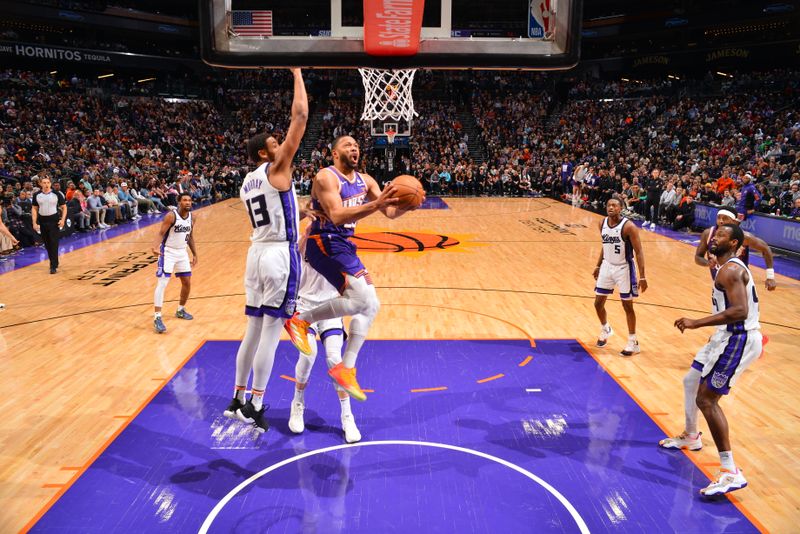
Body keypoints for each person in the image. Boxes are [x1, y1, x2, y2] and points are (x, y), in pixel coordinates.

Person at [283, 135, 406, 402]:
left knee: (370, 304)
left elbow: (391, 213)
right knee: (364, 299)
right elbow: (337, 216)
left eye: (357, 146)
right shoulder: (326, 177)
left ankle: (345, 368)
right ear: (335, 153)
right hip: (323, 242)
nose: (354, 148)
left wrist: (409, 204)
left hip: (345, 246)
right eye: (348, 145)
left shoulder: (367, 181)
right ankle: (301, 321)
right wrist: (376, 204)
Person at [222, 68, 308, 434]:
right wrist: (297, 72)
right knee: (272, 332)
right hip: (278, 257)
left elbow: (274, 212)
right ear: (264, 153)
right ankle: (256, 405)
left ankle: (236, 399)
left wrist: (303, 211)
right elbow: (301, 116)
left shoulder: (247, 181)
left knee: (252, 330)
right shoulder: (277, 167)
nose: (280, 145)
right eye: (275, 143)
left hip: (255, 255)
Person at [664, 224, 761, 497]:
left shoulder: (730, 269)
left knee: (706, 399)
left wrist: (696, 323)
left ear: (734, 244)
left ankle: (730, 471)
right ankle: (692, 435)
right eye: (714, 233)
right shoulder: (724, 266)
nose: (713, 237)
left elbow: (740, 311)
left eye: (721, 235)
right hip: (724, 336)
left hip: (738, 338)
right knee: (691, 380)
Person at [288, 230, 361, 443]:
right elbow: (295, 253)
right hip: (304, 306)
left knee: (335, 359)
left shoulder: (338, 242)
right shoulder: (303, 239)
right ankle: (297, 404)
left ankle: (347, 416)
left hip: (330, 307)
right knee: (308, 355)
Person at [593, 197, 648, 355]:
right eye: (609, 205)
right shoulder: (601, 223)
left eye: (615, 205)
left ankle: (633, 342)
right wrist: (598, 265)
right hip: (606, 266)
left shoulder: (629, 227)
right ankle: (606, 329)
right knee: (598, 303)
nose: (611, 207)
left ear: (621, 208)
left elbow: (639, 252)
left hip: (624, 268)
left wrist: (642, 276)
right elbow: (605, 246)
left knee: (627, 306)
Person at [695, 209, 777, 291]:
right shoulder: (708, 234)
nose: (721, 221)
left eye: (725, 218)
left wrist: (770, 277)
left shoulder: (744, 237)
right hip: (719, 284)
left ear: (733, 221)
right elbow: (698, 257)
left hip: (740, 284)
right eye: (719, 218)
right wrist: (708, 263)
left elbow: (765, 249)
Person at [151, 193, 198, 334]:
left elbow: (190, 236)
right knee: (163, 283)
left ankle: (180, 310)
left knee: (187, 282)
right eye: (184, 200)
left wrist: (195, 253)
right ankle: (157, 317)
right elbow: (161, 233)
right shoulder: (171, 216)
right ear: (179, 202)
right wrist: (154, 247)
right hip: (168, 252)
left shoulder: (193, 217)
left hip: (182, 252)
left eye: (189, 200)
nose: (188, 202)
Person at [31, 176, 66, 274]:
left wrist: (62, 219)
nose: (46, 184)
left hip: (54, 220)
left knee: (53, 243)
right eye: (44, 182)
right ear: (40, 184)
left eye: (48, 182)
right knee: (47, 244)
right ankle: (54, 261)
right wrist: (34, 222)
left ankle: (53, 265)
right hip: (42, 220)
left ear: (50, 183)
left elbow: (64, 207)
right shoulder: (36, 195)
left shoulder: (57, 194)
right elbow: (34, 208)